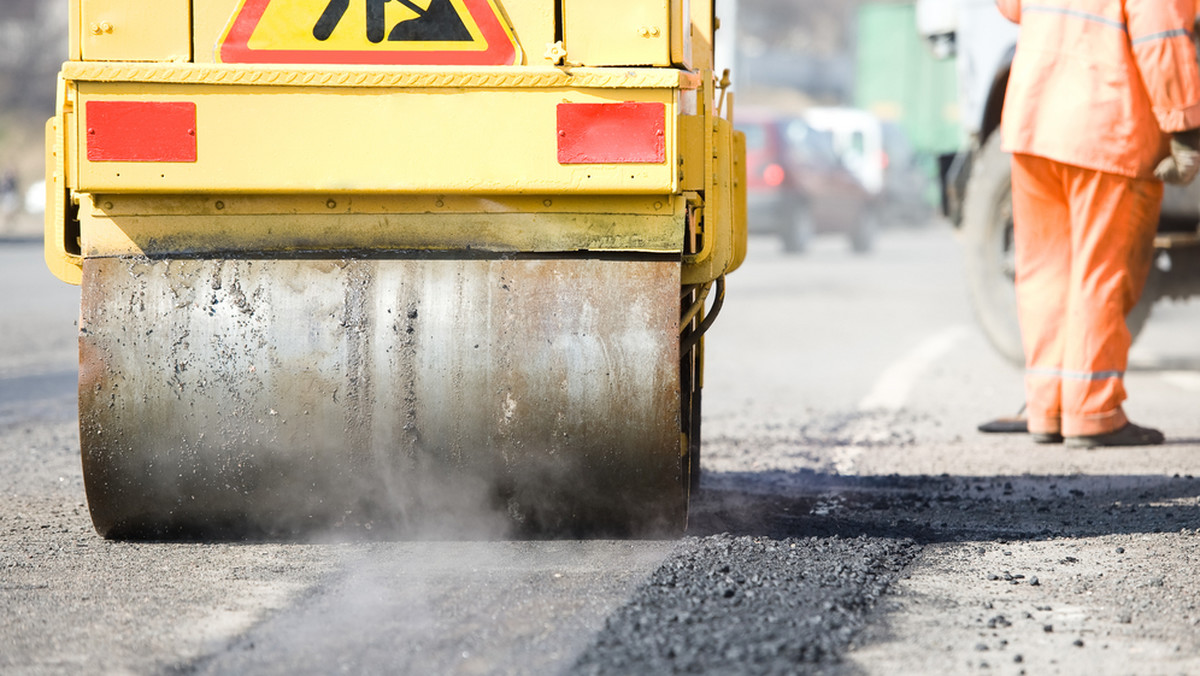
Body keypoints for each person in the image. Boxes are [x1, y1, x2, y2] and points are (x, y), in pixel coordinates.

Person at [995, 0, 1200, 447]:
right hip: (1106, 127)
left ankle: (1048, 408)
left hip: (1034, 119)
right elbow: (1160, 33)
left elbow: (1010, 9)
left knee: (1046, 272)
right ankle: (1093, 410)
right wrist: (1184, 128)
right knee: (1103, 273)